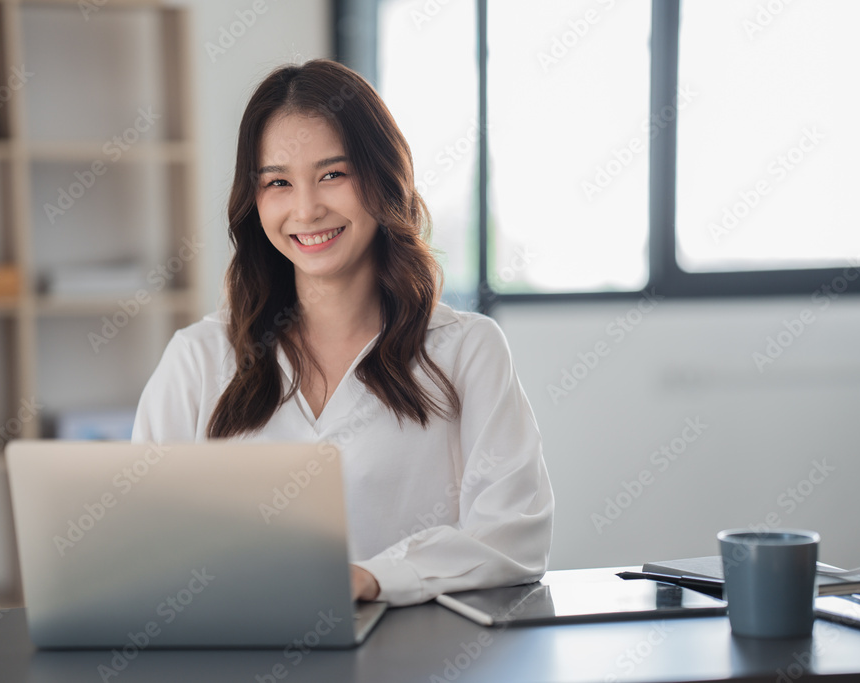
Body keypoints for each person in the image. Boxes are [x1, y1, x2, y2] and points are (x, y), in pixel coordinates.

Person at [131, 59, 553, 607]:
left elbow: (514, 537)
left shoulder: (467, 351)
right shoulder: (197, 358)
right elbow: (140, 543)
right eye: (278, 182)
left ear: (382, 177)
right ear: (253, 201)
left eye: (333, 174)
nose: (306, 209)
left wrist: (372, 578)